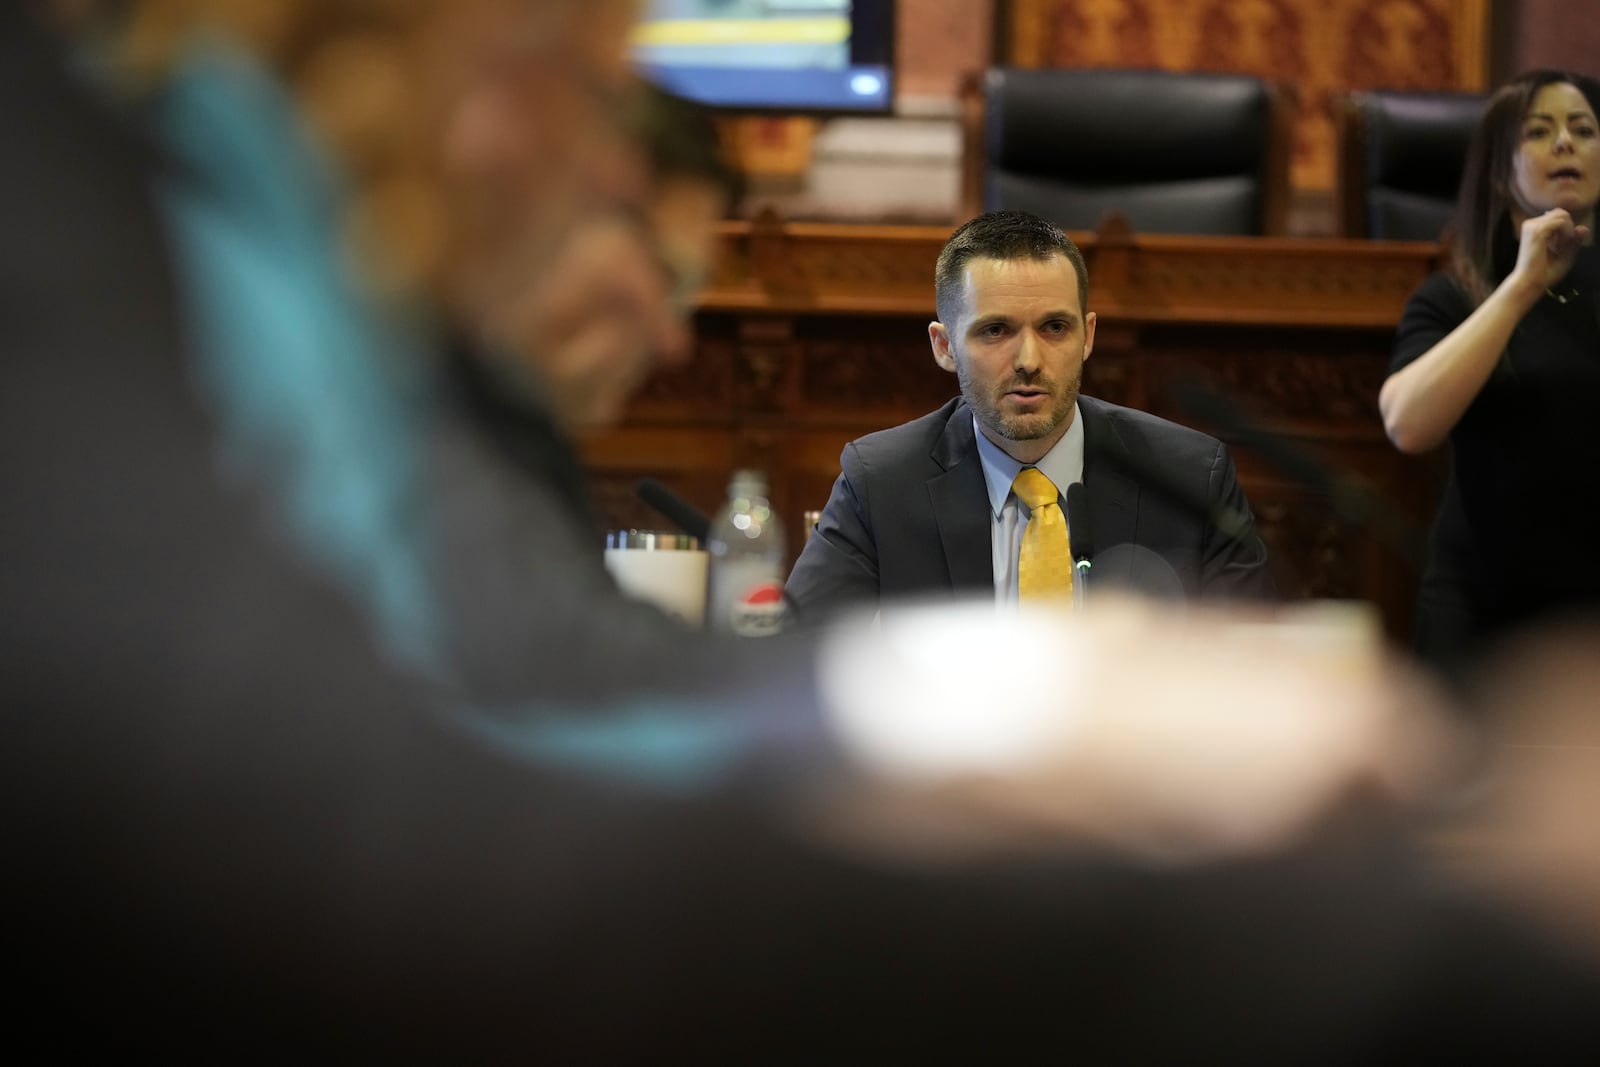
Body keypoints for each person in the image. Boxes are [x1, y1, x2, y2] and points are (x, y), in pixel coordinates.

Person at [10, 4, 1600, 1058]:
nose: (549, 172)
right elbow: (365, 832)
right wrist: (1426, 945)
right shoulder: (91, 185)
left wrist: (1006, 703)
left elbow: (544, 660)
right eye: (534, 79)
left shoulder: (240, 189)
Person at [786, 210, 1278, 619]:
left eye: (1054, 328)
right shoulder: (882, 482)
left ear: (1087, 337)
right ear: (944, 346)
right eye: (995, 330)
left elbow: (1257, 671)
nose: (1028, 359)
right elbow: (791, 659)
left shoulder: (1190, 477)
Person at [1380, 69, 1600, 679]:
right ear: (1500, 171)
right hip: (1482, 613)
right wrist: (1522, 287)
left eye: (1583, 130)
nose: (1566, 143)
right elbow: (1406, 424)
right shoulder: (1455, 298)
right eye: (1540, 131)